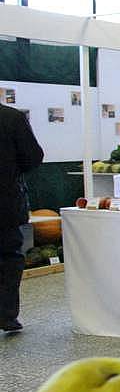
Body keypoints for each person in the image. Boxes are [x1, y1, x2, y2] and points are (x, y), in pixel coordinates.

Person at [0, 102, 44, 332]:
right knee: (9, 257)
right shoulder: (11, 118)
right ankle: (6, 315)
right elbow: (33, 157)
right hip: (5, 201)